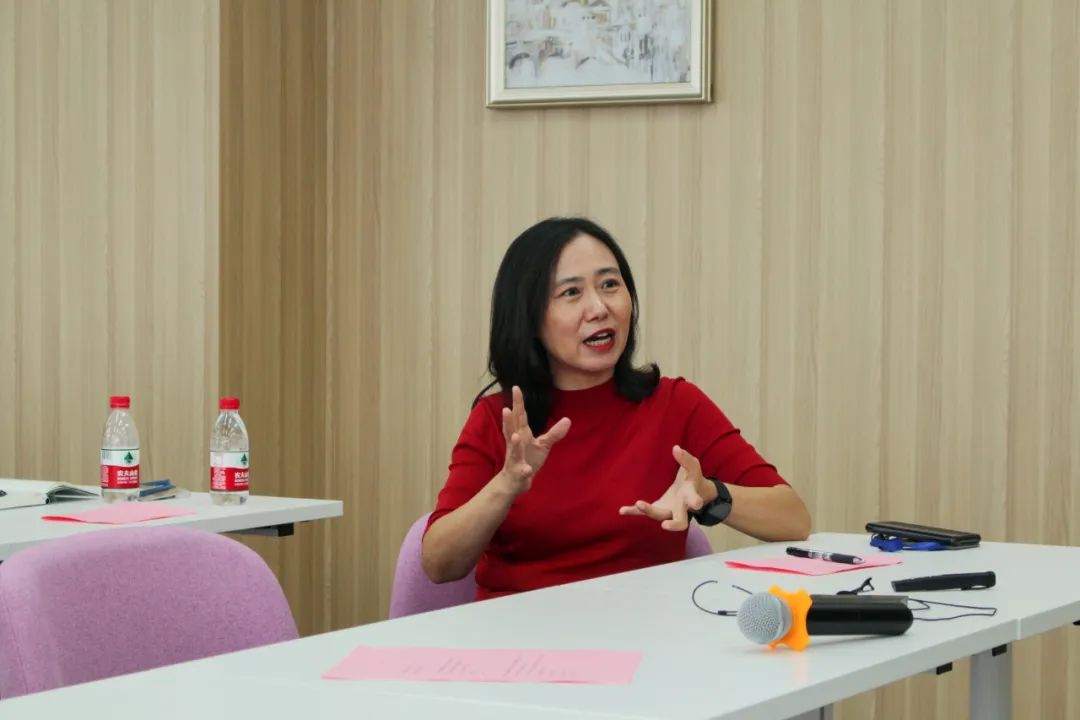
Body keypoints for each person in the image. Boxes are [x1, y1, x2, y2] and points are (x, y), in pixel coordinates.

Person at [421, 217, 811, 599]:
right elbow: (439, 564)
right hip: (518, 636)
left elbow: (793, 518)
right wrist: (506, 485)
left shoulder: (674, 404)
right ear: (530, 318)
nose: (598, 307)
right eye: (571, 292)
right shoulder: (501, 420)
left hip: (645, 632)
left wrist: (709, 493)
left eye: (610, 284)